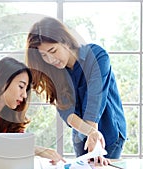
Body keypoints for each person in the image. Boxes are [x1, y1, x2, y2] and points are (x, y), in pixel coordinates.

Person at [25, 17, 127, 165]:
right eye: (44, 56)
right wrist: (90, 133)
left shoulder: (96, 55)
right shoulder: (55, 74)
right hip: (81, 133)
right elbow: (68, 114)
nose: (51, 59)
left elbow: (94, 102)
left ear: (65, 40)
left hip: (108, 133)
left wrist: (95, 140)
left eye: (53, 50)